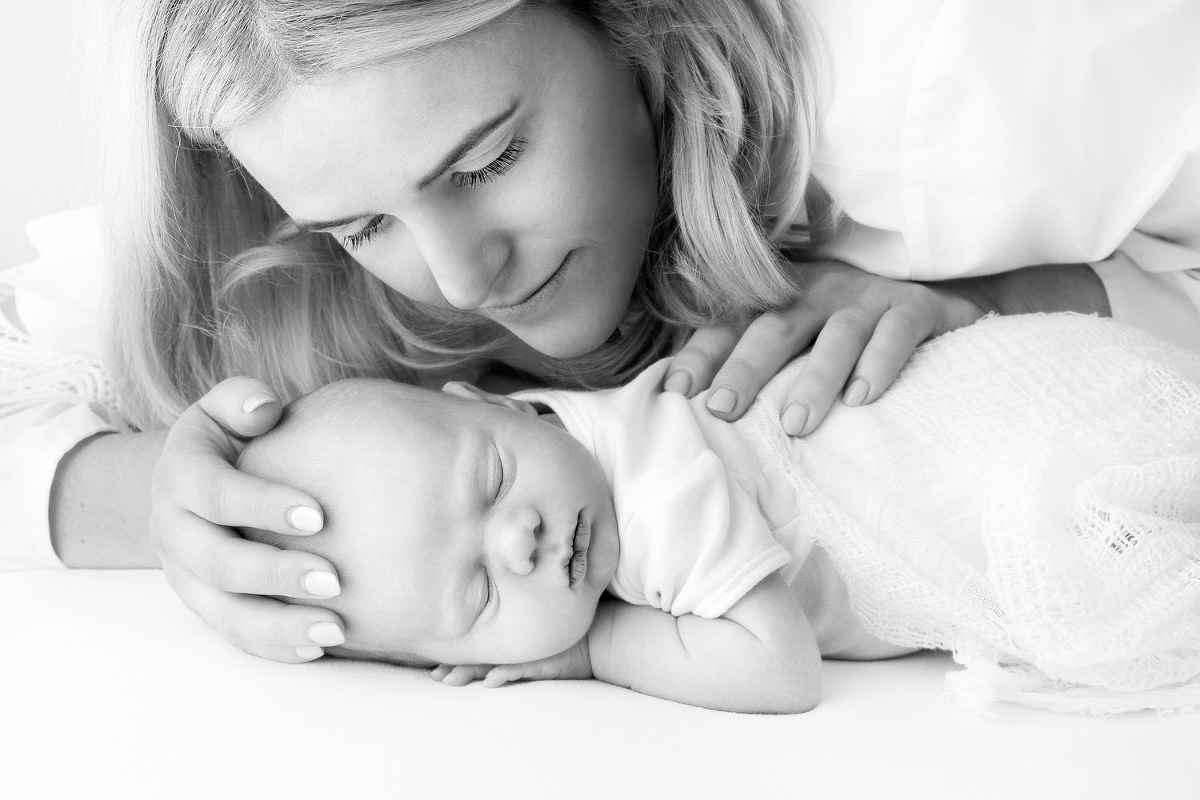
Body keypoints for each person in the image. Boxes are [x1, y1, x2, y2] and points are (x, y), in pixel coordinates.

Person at [3, 1, 1199, 664]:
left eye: (491, 158)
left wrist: (1011, 296)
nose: (463, 277)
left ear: (631, 26)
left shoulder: (953, 65)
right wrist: (190, 511)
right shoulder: (288, 188)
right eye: (364, 223)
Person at [234, 313, 1200, 714]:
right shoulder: (578, 440)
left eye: (490, 481)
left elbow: (781, 670)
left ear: (486, 399)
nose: (520, 536)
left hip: (1045, 450)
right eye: (480, 588)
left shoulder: (651, 485)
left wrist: (590, 649)